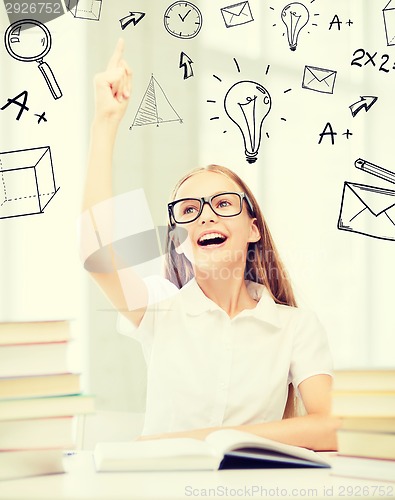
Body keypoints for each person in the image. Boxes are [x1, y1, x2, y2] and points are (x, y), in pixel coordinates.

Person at [82, 39, 340, 451]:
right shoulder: (160, 308)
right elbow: (97, 255)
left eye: (222, 203)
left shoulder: (295, 327)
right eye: (188, 209)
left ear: (253, 228)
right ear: (178, 240)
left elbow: (330, 429)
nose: (205, 215)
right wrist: (105, 123)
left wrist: (202, 440)